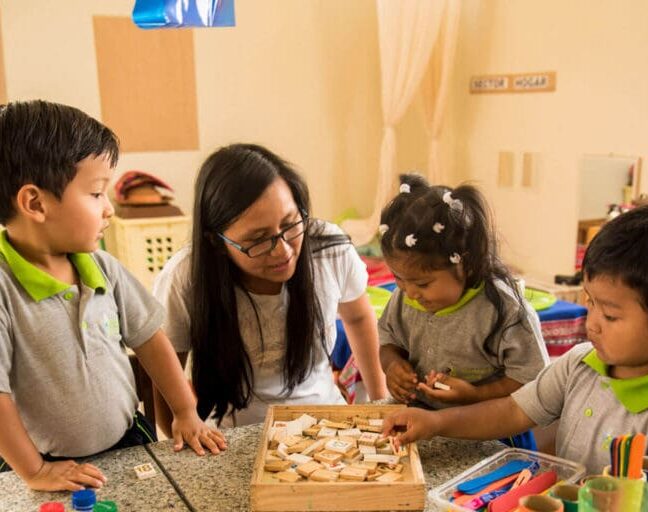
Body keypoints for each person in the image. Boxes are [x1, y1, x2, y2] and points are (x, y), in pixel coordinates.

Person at [383, 203, 648, 511]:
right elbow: (513, 410)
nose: (591, 324)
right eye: (589, 302)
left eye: (610, 315)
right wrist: (435, 423)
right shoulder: (582, 362)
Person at [0, 100, 226, 492]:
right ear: (35, 203)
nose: (109, 210)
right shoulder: (4, 290)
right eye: (95, 193)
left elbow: (151, 339)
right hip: (46, 463)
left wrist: (185, 411)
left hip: (128, 440)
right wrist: (34, 471)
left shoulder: (102, 266)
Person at [152, 143, 387, 429]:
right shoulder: (186, 277)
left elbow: (359, 317)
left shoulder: (327, 249)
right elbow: (165, 372)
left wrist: (380, 402)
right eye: (258, 239)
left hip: (326, 422)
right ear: (216, 241)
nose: (283, 251)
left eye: (290, 224)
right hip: (231, 436)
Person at [378, 174, 548, 450]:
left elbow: (532, 383)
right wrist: (392, 366)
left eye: (422, 283)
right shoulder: (405, 297)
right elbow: (389, 342)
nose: (409, 292)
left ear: (466, 265)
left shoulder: (504, 310)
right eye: (398, 278)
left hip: (492, 438)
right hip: (421, 424)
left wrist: (475, 394)